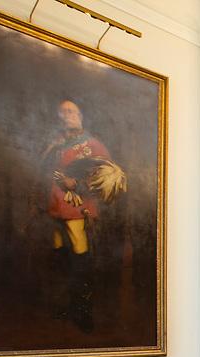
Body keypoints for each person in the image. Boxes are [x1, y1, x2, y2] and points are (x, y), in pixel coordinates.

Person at [40, 99, 126, 332]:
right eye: (63, 112)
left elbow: (108, 177)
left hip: (77, 209)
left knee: (80, 260)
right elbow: (43, 170)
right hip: (55, 208)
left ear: (80, 116)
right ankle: (68, 306)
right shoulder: (56, 144)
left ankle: (83, 312)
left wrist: (76, 184)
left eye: (71, 111)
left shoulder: (93, 145)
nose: (67, 115)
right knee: (61, 258)